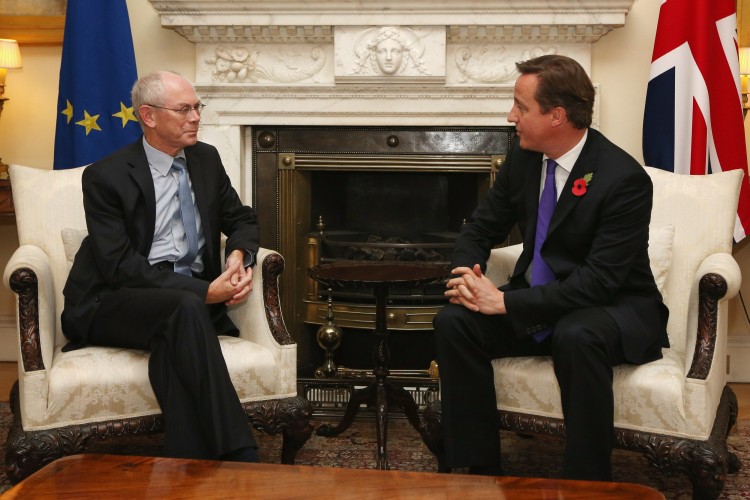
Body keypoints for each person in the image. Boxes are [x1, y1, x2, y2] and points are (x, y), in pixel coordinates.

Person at [434, 54, 670, 481]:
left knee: (576, 333)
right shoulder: (525, 159)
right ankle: (479, 470)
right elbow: (481, 227)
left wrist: (505, 304)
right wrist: (467, 278)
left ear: (556, 115)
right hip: (542, 303)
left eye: (521, 108)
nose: (511, 117)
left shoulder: (623, 180)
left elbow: (600, 282)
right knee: (454, 321)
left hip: (614, 307)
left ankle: (587, 481)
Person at [61, 70, 260, 462]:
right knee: (185, 307)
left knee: (176, 334)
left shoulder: (205, 159)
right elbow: (119, 267)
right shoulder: (105, 177)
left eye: (197, 107)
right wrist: (206, 292)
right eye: (184, 109)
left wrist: (237, 255)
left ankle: (185, 461)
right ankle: (241, 452)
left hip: (178, 310)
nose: (196, 117)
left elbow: (242, 218)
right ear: (149, 116)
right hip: (113, 301)